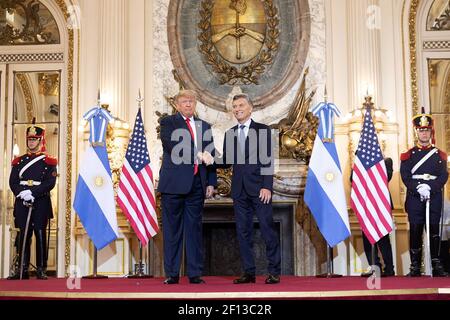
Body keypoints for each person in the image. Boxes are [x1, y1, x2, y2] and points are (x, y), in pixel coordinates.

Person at [213, 94, 281, 284]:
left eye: (241, 105)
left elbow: (268, 160)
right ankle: (248, 272)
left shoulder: (263, 130)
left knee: (268, 230)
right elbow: (226, 161)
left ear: (250, 108)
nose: (237, 109)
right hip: (239, 191)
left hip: (260, 190)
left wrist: (267, 187)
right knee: (243, 232)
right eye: (234, 106)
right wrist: (211, 160)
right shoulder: (230, 133)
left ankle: (274, 271)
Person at [158, 89, 217, 284]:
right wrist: (196, 155)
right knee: (172, 231)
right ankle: (172, 274)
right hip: (173, 185)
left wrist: (211, 182)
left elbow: (209, 156)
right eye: (184, 101)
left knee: (194, 231)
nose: (188, 104)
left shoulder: (204, 126)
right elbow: (172, 147)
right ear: (177, 105)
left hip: (197, 186)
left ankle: (194, 274)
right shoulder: (167, 122)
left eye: (192, 101)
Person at [400, 108, 448, 277]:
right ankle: (415, 266)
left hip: (433, 197)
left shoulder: (439, 155)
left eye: (427, 130)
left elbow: (443, 176)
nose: (425, 133)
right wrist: (418, 187)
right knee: (415, 230)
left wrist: (430, 187)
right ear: (417, 132)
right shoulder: (408, 155)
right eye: (421, 130)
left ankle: (436, 264)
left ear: (430, 132)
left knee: (434, 231)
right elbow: (405, 176)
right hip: (415, 198)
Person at [8, 121, 57, 280]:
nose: (31, 142)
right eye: (29, 139)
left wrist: (33, 192)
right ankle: (22, 269)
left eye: (35, 139)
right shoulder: (18, 162)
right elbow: (13, 181)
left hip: (40, 201)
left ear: (41, 140)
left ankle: (41, 269)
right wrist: (22, 193)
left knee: (40, 233)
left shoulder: (49, 162)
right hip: (22, 201)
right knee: (24, 234)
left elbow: (50, 183)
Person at [360, 157, 395, 277]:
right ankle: (375, 268)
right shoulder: (360, 164)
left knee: (383, 238)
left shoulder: (387, 161)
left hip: (381, 205)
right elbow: (352, 179)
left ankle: (389, 269)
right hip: (366, 204)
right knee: (367, 238)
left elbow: (386, 177)